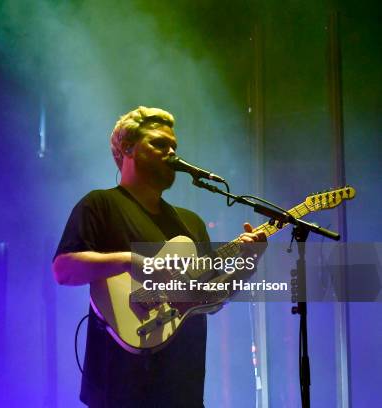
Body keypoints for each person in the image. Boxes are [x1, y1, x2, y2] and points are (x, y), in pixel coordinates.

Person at [52, 106, 266, 407]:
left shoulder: (190, 223)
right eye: (159, 144)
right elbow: (63, 270)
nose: (171, 153)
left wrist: (248, 262)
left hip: (183, 389)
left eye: (174, 147)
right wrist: (129, 260)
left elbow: (210, 300)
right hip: (119, 389)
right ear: (128, 148)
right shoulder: (100, 205)